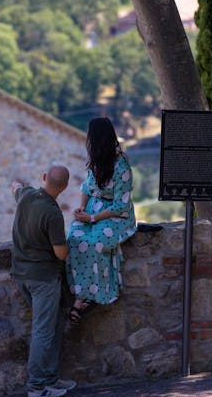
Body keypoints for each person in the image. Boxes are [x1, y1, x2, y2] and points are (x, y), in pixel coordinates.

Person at [11, 165, 76, 397]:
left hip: (22, 274)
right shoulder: (52, 213)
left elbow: (15, 187)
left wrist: (19, 183)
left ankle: (50, 379)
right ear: (65, 187)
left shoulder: (26, 195)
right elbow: (61, 253)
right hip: (43, 279)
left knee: (54, 324)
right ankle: (37, 388)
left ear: (44, 177)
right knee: (43, 331)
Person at [66, 117, 136, 324]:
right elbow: (87, 187)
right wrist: (82, 208)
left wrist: (93, 217)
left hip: (116, 216)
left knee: (96, 243)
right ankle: (84, 292)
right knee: (74, 239)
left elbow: (120, 205)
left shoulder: (122, 166)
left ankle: (86, 298)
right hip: (92, 210)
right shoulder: (96, 160)